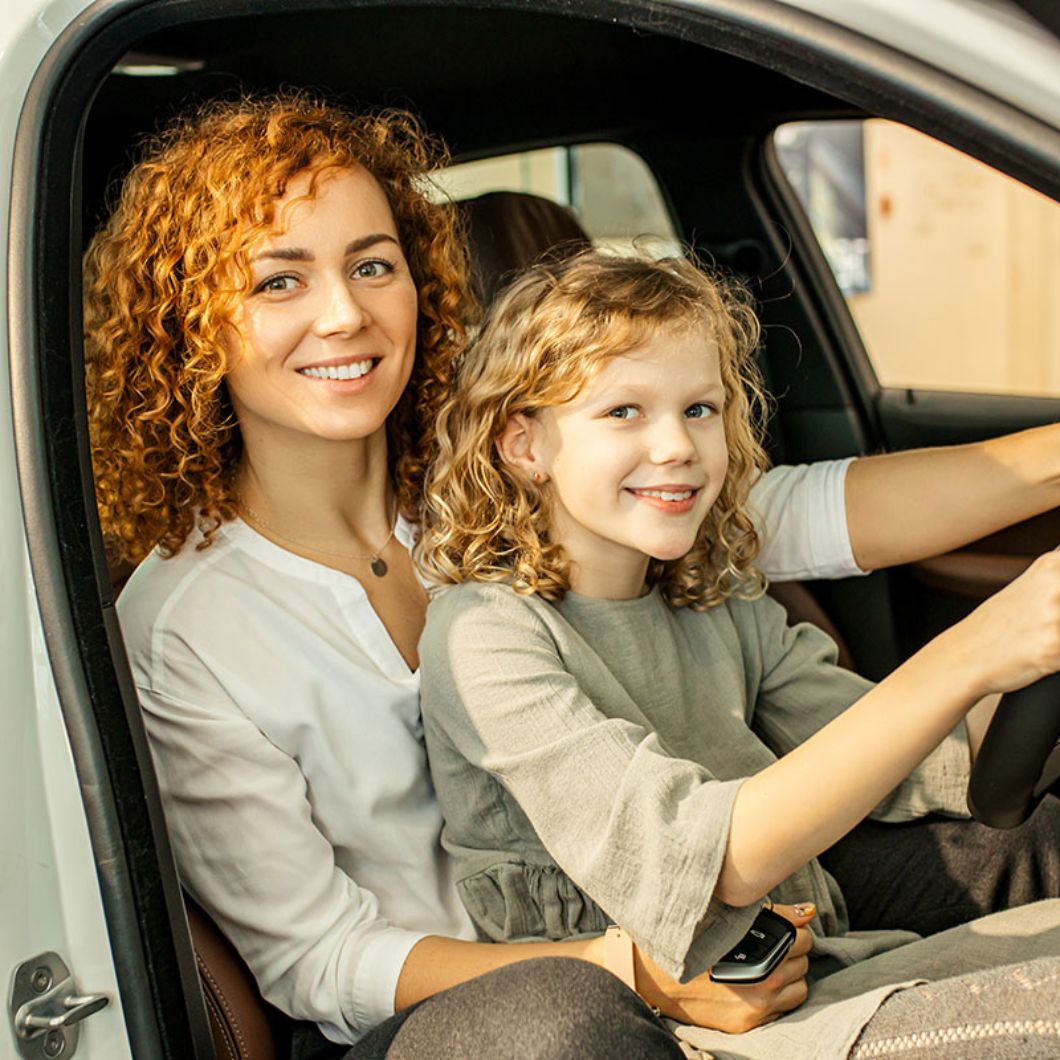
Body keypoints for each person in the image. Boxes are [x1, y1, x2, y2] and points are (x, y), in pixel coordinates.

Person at [87, 91, 1060, 1056]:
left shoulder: (510, 482)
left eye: (371, 264)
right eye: (278, 282)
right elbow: (319, 959)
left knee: (1013, 839)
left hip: (668, 895)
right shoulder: (184, 627)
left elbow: (766, 513)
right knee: (562, 1021)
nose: (343, 313)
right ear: (190, 322)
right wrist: (625, 970)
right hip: (460, 1015)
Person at [416, 248, 1060, 1059]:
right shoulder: (487, 638)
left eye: (700, 409)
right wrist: (975, 648)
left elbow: (902, 749)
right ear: (524, 445)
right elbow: (712, 862)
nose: (679, 446)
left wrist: (1027, 664)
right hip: (679, 1026)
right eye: (623, 413)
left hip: (817, 960)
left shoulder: (710, 597)